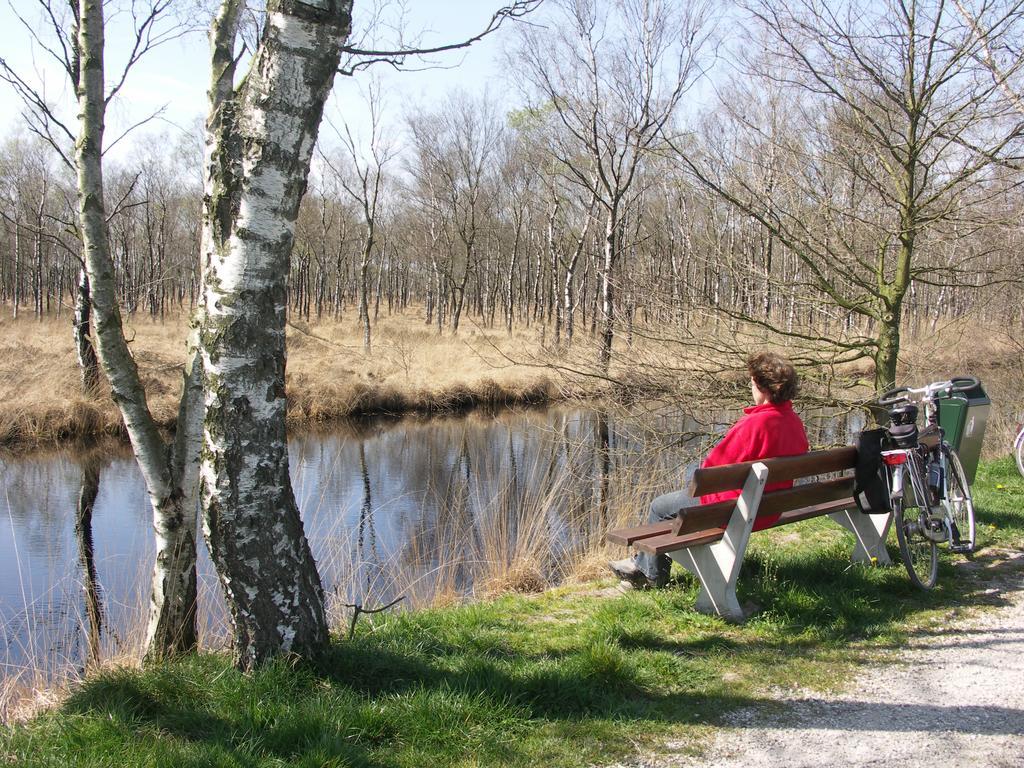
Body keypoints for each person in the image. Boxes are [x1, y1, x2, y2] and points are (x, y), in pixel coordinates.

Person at [609, 351, 809, 589]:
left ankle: (650, 575)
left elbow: (711, 470)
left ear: (762, 386)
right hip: (769, 508)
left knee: (660, 506)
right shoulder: (793, 421)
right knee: (677, 502)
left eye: (751, 381)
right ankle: (643, 565)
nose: (749, 385)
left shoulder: (754, 424)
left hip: (734, 511)